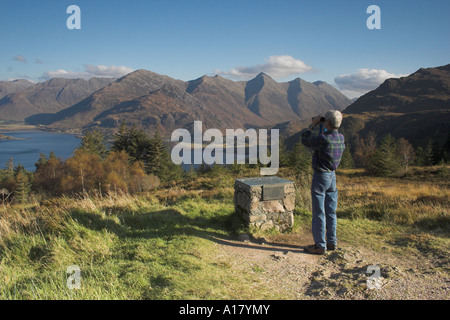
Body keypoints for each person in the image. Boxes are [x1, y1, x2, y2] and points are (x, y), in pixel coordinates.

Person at [301, 110, 345, 255]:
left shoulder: (323, 139)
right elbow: (325, 137)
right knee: (331, 211)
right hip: (332, 176)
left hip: (321, 176)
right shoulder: (341, 138)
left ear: (328, 122)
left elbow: (305, 140)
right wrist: (323, 126)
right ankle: (332, 242)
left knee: (319, 212)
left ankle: (320, 245)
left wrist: (312, 126)